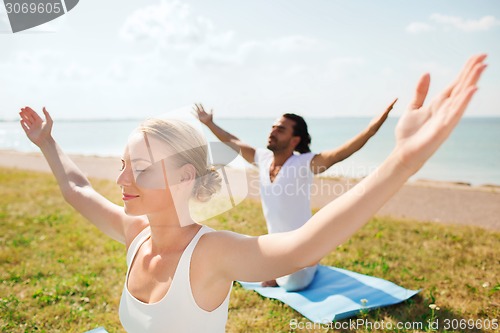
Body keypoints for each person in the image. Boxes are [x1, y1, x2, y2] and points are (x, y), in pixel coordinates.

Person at [19, 54, 487, 333]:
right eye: (123, 166)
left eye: (139, 169)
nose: (121, 180)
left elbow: (305, 246)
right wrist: (48, 143)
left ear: (185, 179)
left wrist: (400, 162)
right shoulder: (134, 234)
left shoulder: (212, 253)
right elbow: (78, 189)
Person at [194, 99, 397, 290]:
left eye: (280, 129)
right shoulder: (263, 159)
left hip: (303, 249)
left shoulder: (304, 164)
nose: (273, 132)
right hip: (274, 247)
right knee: (231, 256)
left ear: (295, 140)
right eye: (273, 127)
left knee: (291, 285)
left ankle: (289, 268)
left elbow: (339, 154)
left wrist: (372, 129)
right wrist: (210, 124)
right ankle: (273, 268)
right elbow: (232, 140)